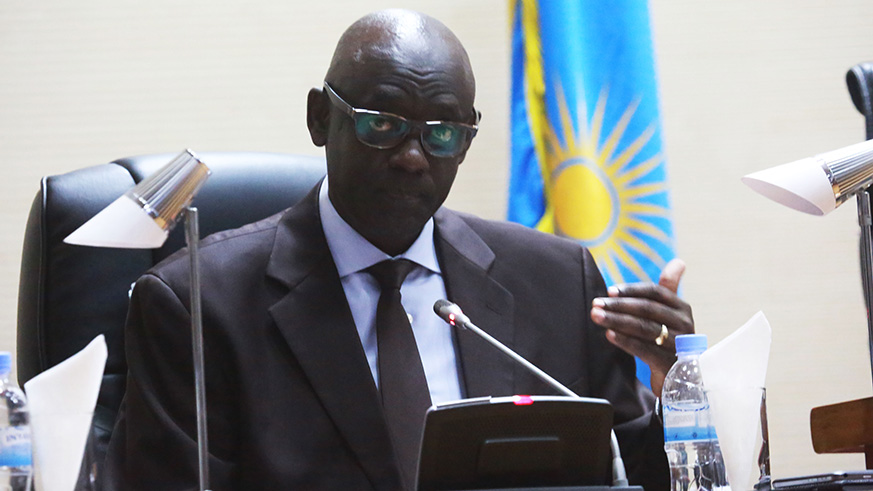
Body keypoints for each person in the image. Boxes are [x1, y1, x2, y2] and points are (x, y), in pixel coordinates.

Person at [103, 9, 693, 491]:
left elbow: (633, 478)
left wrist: (681, 385)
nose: (413, 157)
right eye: (382, 124)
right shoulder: (198, 305)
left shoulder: (558, 283)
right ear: (320, 118)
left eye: (442, 133)